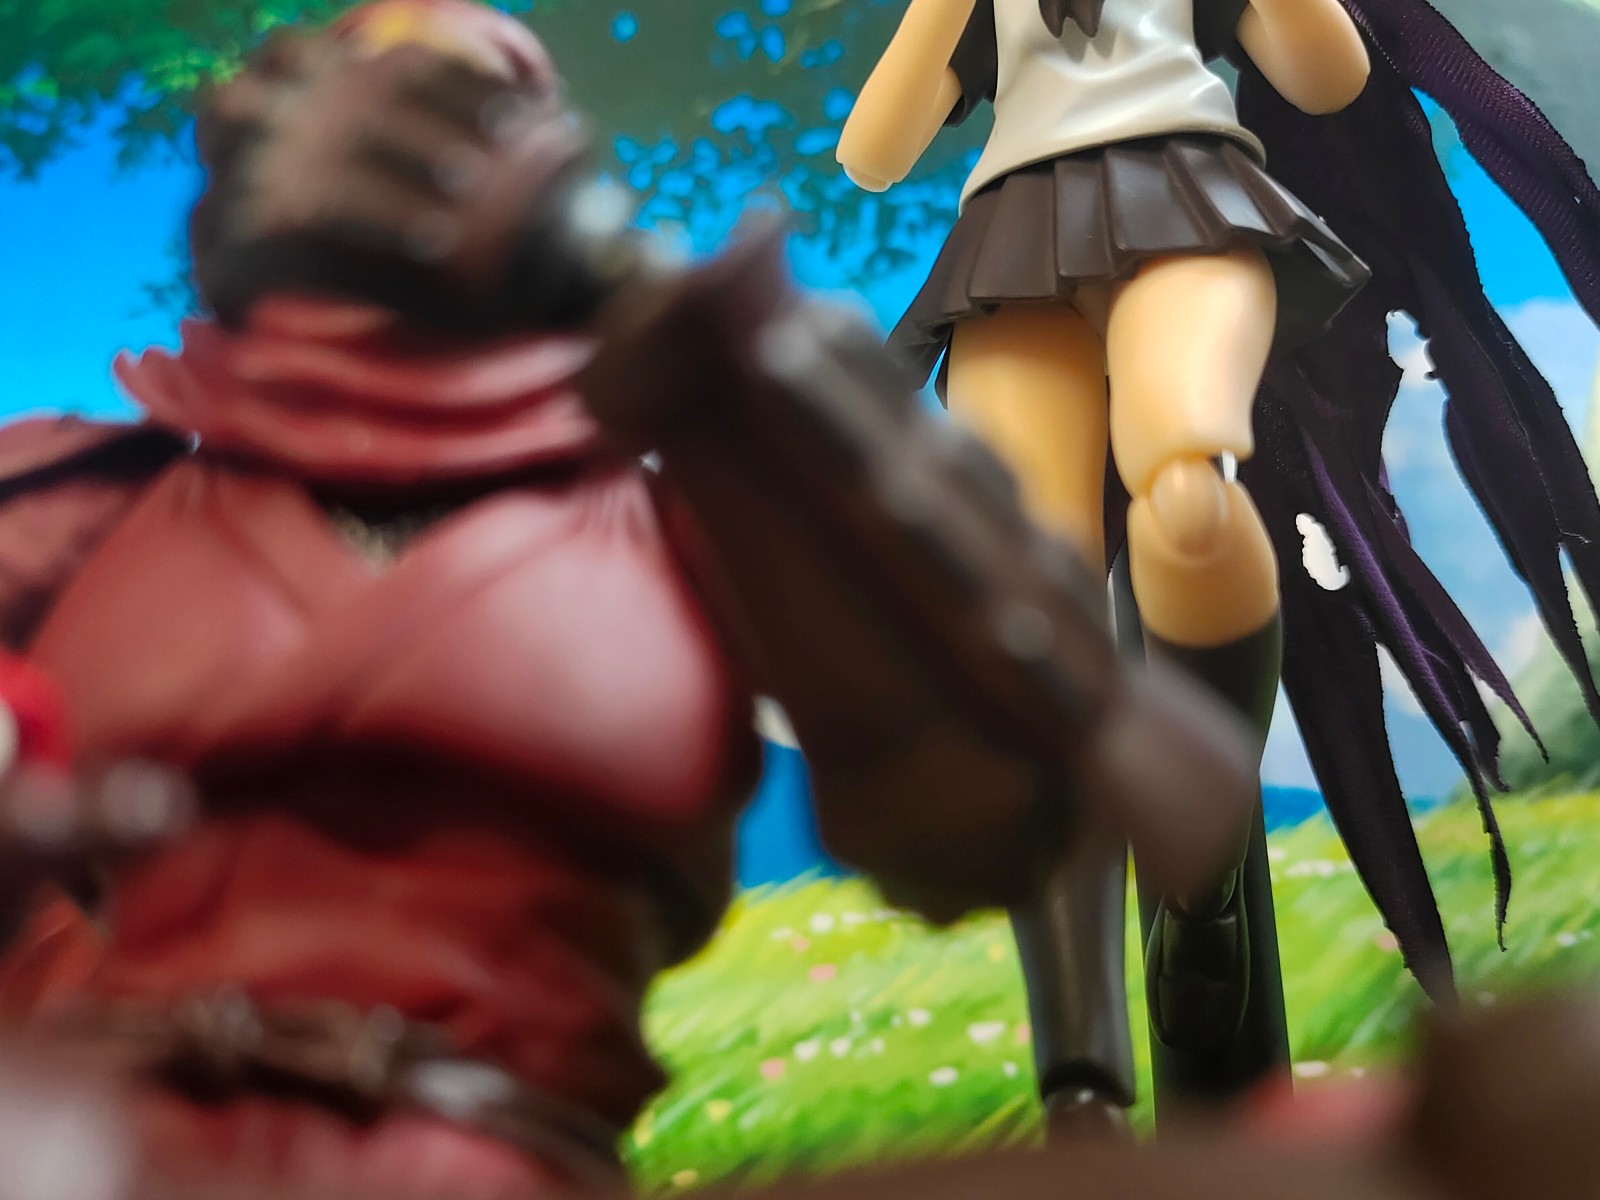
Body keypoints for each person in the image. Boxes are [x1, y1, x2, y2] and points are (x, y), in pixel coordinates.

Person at [0, 2, 1258, 1193]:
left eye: (448, 113)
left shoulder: (682, 522)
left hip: (488, 1154)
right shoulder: (86, 504)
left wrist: (773, 385)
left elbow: (1015, 825)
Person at [838, 0, 1600, 1128]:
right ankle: (1080, 1069)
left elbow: (1328, 78)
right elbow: (873, 153)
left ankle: (1199, 888)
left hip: (1187, 194)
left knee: (1187, 491)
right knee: (1036, 605)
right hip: (1013, 230)